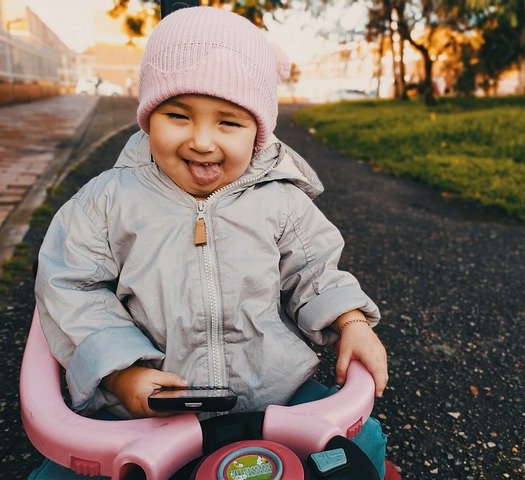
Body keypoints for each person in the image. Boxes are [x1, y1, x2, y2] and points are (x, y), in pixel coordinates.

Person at [32, 6, 397, 480]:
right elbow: (70, 287)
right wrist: (122, 374)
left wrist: (351, 321)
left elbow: (316, 270)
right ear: (148, 117)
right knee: (58, 474)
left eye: (229, 123)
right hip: (147, 409)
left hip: (273, 397)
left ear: (259, 132)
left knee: (364, 440)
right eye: (178, 115)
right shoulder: (106, 202)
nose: (203, 141)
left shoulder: (281, 201)